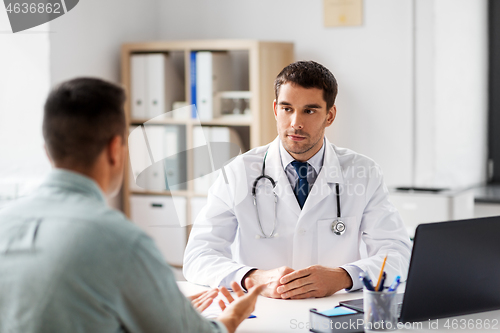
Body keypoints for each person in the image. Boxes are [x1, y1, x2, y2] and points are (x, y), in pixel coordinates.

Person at [0, 78, 264, 333]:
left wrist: (167, 314)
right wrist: (231, 316)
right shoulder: (120, 241)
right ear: (115, 149)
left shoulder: (5, 221)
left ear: (47, 150)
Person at [183, 61, 412, 299]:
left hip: (333, 310)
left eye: (309, 111)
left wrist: (344, 276)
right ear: (275, 109)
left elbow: (397, 254)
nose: (295, 123)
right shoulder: (238, 173)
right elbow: (198, 256)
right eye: (287, 109)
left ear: (330, 115)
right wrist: (254, 278)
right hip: (263, 311)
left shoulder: (363, 172)